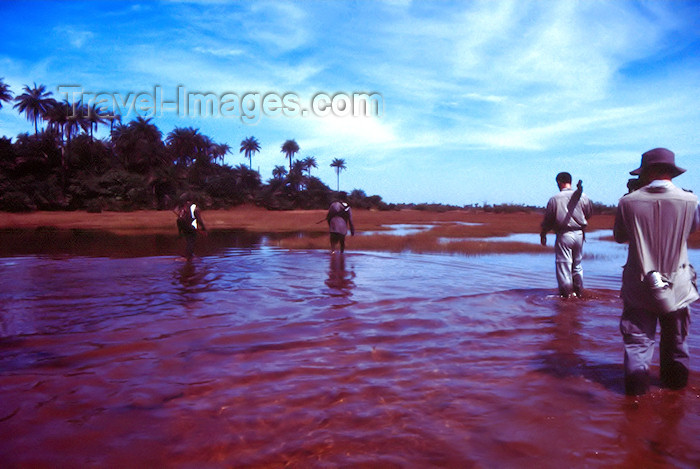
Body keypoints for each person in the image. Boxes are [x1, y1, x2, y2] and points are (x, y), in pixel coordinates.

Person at [614, 148, 699, 395]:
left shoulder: (627, 202)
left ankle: (635, 403)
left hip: (639, 285)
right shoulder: (691, 201)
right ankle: (675, 398)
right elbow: (690, 230)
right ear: (671, 171)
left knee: (638, 346)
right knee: (677, 344)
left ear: (647, 171)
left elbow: (620, 237)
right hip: (679, 285)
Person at [540, 172, 593, 298]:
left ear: (559, 182)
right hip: (579, 234)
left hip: (564, 234)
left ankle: (567, 296)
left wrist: (543, 233)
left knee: (564, 265)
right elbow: (589, 213)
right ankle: (579, 293)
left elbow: (548, 220)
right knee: (577, 266)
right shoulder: (584, 196)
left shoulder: (555, 199)